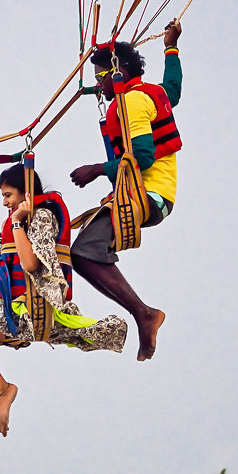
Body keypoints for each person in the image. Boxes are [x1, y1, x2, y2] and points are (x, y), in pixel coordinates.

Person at [0, 164, 127, 437]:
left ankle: (1, 392)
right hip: (14, 308)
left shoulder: (40, 217)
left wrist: (17, 221)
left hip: (32, 311)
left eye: (8, 195)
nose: (5, 202)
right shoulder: (29, 216)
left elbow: (30, 263)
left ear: (25, 193)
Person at [69, 20, 183, 362]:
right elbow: (173, 88)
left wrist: (96, 170)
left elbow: (143, 156)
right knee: (81, 253)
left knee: (85, 251)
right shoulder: (150, 93)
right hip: (156, 198)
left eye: (101, 76)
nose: (98, 84)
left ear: (116, 73)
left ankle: (143, 313)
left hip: (146, 197)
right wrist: (171, 47)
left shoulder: (132, 102)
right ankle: (142, 312)